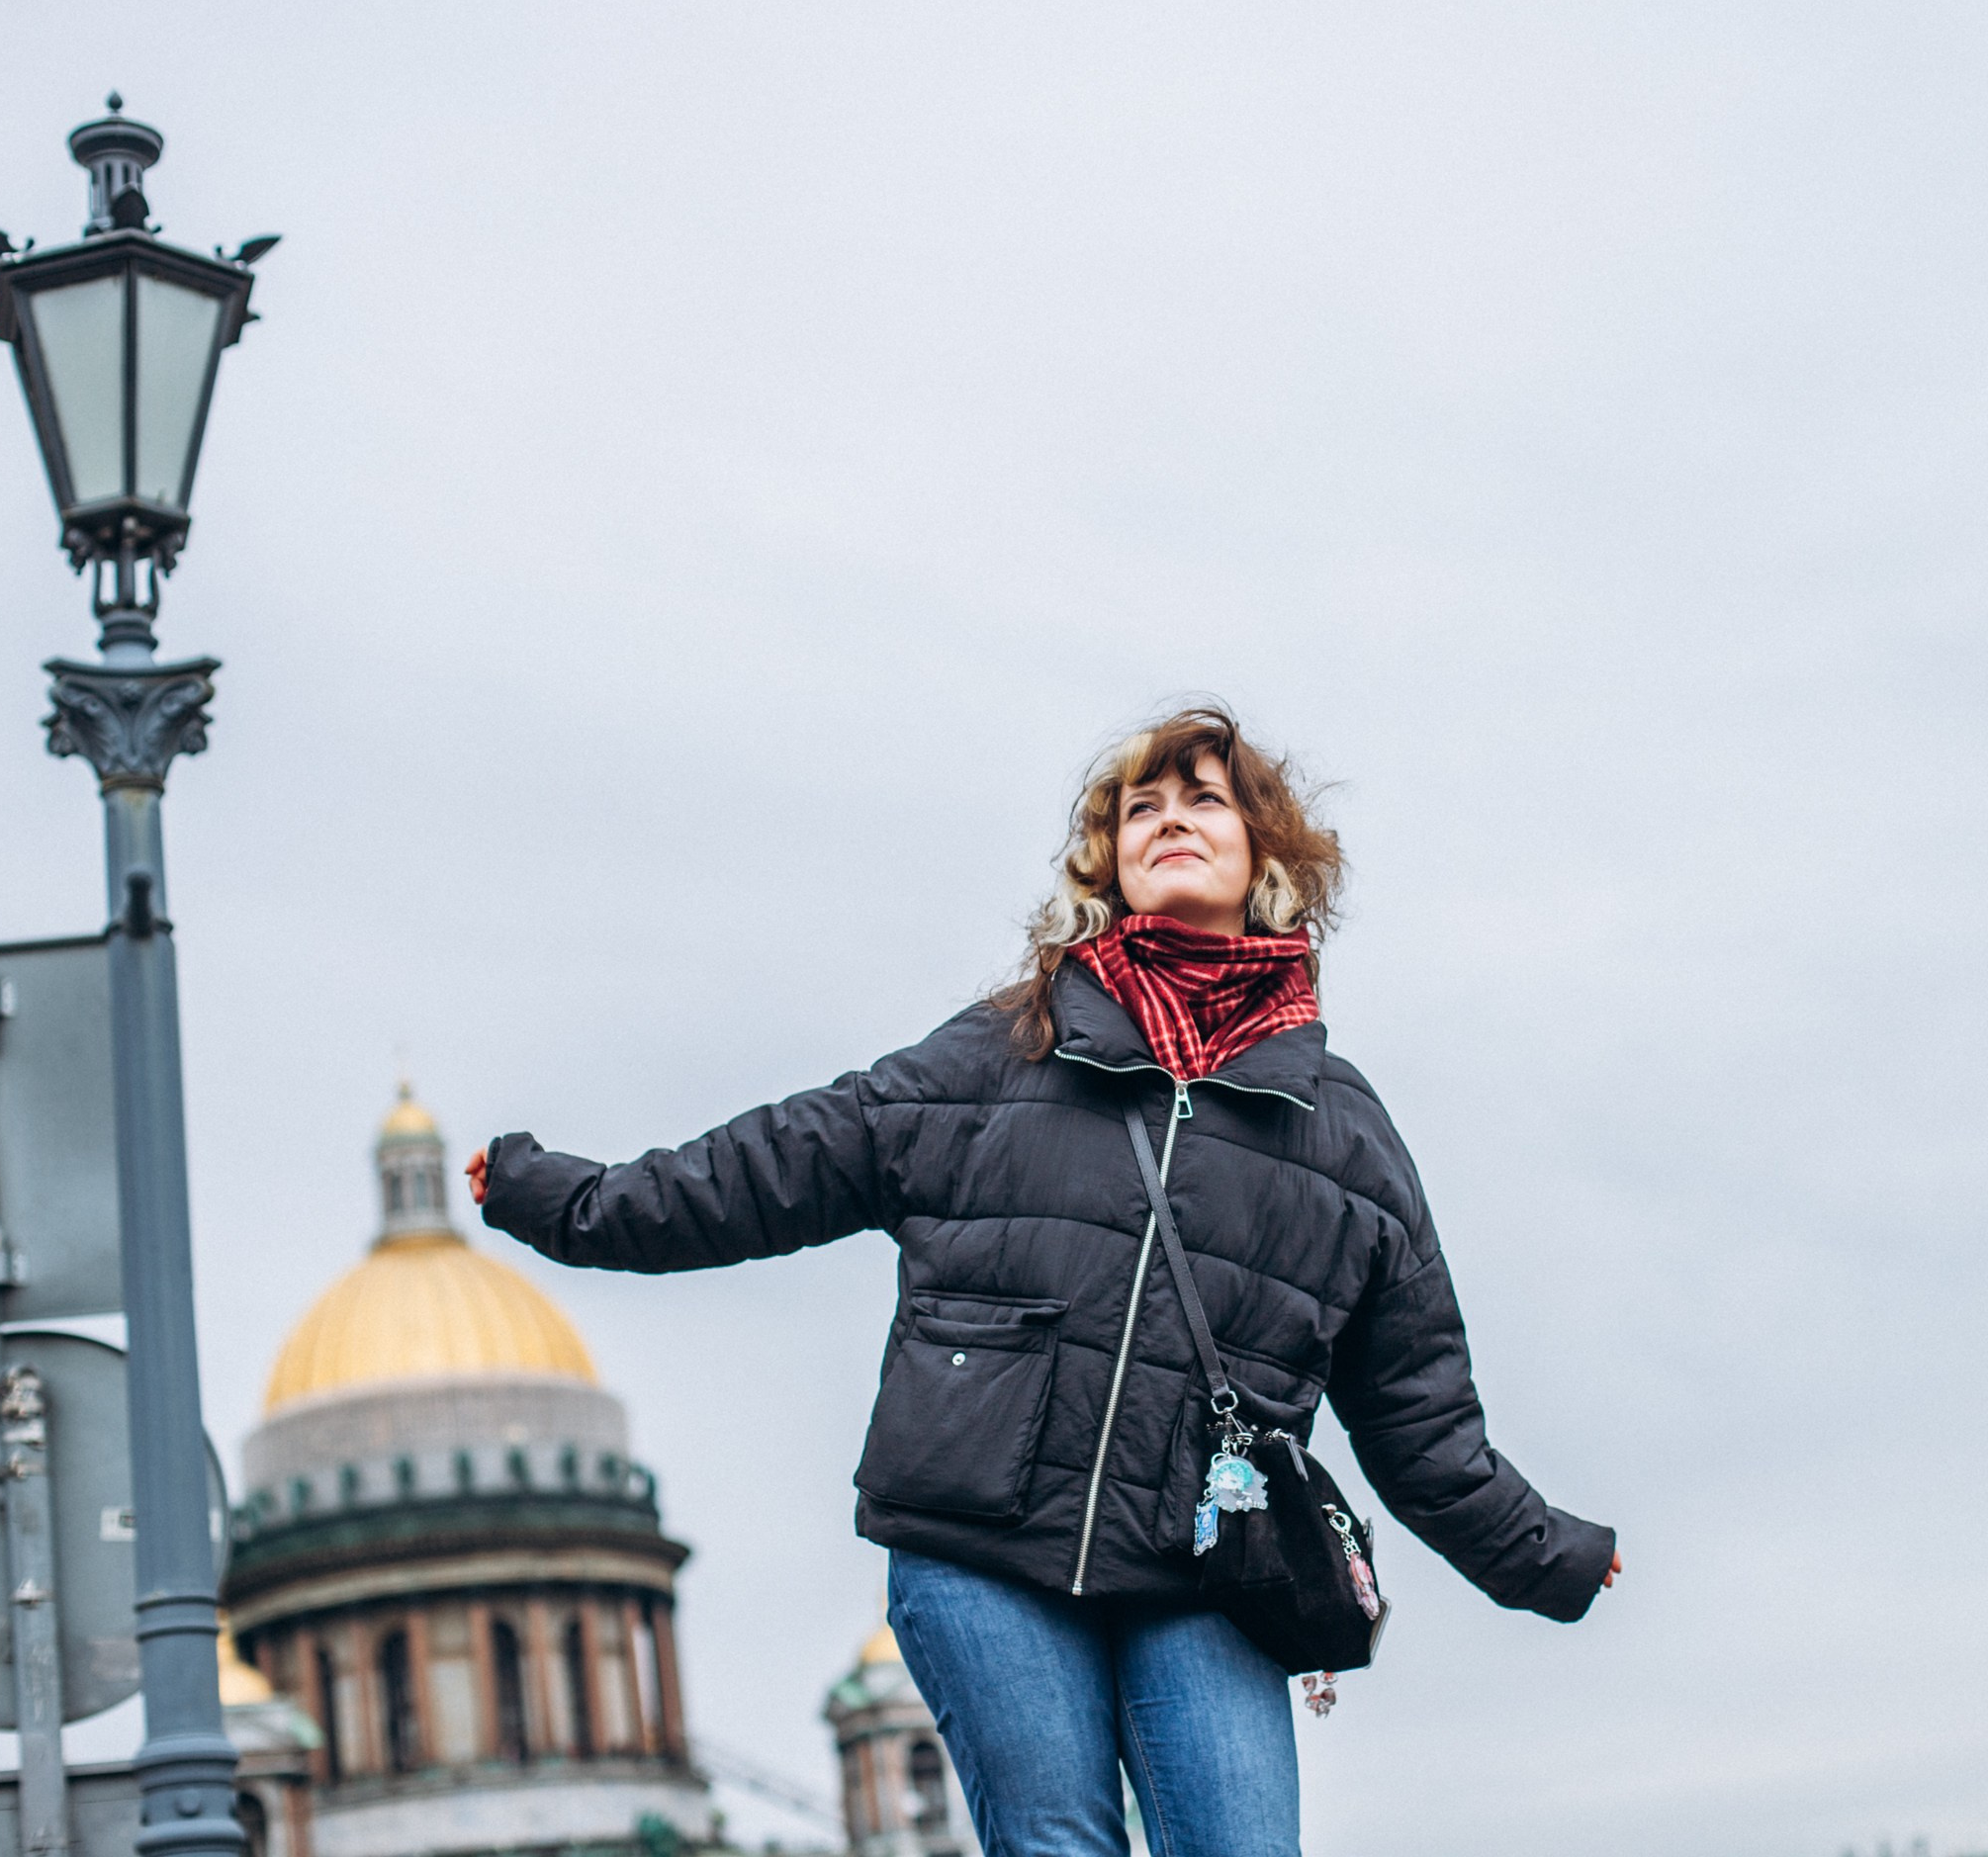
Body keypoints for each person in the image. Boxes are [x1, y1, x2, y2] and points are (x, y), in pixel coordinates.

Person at [469, 705, 1618, 1857]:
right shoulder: (998, 1054)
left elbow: (1423, 1419)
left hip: (1205, 1564)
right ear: (1107, 859)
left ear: (1268, 853)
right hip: (982, 1546)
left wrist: (1549, 1552)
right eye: (1141, 809)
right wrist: (555, 1196)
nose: (1169, 821)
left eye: (1203, 799)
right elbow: (765, 1170)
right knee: (1061, 1846)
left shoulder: (1345, 1133)